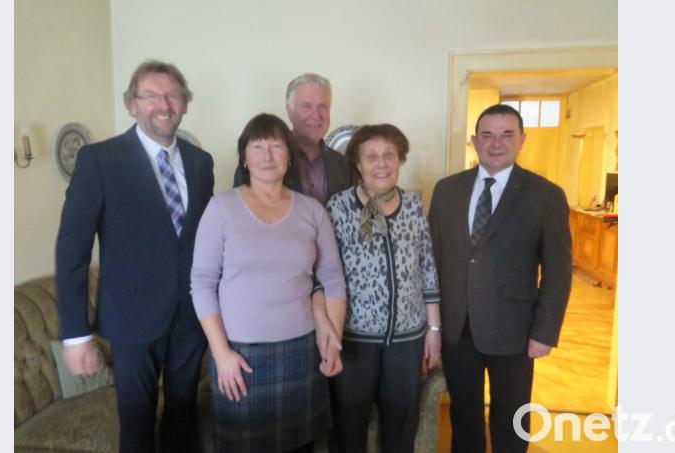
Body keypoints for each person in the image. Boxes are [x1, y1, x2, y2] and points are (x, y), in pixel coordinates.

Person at [55, 60, 213, 453]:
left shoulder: (201, 163)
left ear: (185, 104)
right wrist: (76, 335)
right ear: (131, 105)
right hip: (131, 319)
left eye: (173, 94)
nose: (163, 103)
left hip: (191, 318)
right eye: (151, 95)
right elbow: (72, 251)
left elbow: (203, 242)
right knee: (138, 428)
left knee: (183, 420)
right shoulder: (99, 160)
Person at [191, 113, 347, 452]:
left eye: (275, 145)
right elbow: (201, 283)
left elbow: (332, 278)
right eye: (257, 146)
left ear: (288, 156)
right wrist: (221, 353)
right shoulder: (221, 208)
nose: (266, 155)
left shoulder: (312, 211)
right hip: (239, 354)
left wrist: (331, 338)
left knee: (301, 446)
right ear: (244, 157)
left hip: (302, 350)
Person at [428, 104, 572, 452]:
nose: (496, 143)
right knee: (464, 416)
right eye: (488, 135)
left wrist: (545, 332)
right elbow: (430, 260)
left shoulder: (545, 195)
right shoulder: (447, 190)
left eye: (507, 134)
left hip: (516, 333)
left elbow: (558, 270)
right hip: (457, 327)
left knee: (511, 420)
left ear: (522, 140)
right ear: (474, 141)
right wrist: (431, 326)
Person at [323, 124, 442, 453]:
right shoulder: (338, 207)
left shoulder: (415, 207)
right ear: (358, 164)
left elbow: (427, 268)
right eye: (371, 156)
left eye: (389, 155)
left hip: (407, 340)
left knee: (402, 425)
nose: (381, 163)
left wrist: (434, 329)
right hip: (354, 340)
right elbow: (324, 274)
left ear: (400, 160)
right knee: (349, 427)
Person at [233, 73, 353, 205]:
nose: (316, 115)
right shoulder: (261, 161)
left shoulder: (343, 165)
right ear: (289, 111)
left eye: (322, 107)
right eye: (307, 106)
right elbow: (241, 212)